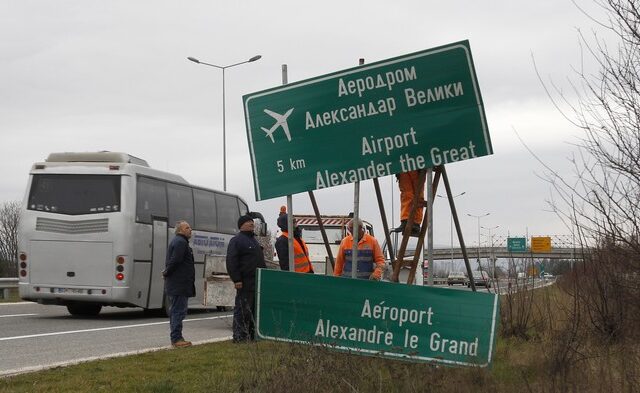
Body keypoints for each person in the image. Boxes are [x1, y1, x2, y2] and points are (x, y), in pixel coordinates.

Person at [226, 214, 266, 342]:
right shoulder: (236, 241)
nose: (252, 223)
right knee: (243, 310)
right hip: (245, 282)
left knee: (253, 311)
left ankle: (251, 335)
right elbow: (231, 261)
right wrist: (236, 279)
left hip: (257, 282)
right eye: (248, 222)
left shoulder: (254, 240)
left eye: (252, 222)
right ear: (241, 225)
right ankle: (239, 336)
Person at [162, 220, 195, 348]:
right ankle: (176, 339)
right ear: (180, 230)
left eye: (190, 227)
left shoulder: (179, 242)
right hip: (179, 284)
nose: (190, 229)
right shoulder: (180, 242)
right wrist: (166, 272)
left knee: (177, 311)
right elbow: (175, 260)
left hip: (178, 284)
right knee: (178, 311)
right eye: (187, 227)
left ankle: (176, 338)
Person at [395, 170, 424, 235]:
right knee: (406, 193)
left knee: (418, 194)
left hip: (416, 165)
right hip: (403, 164)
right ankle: (405, 220)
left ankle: (416, 222)